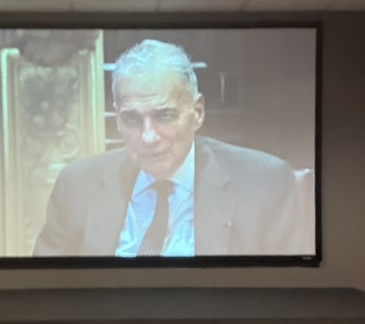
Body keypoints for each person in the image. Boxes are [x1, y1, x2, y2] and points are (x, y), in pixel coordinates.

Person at [33, 39, 306, 257]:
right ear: (117, 118)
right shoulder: (76, 185)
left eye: (164, 116)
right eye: (132, 119)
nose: (148, 137)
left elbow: (282, 295)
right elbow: (47, 290)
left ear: (197, 113)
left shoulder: (264, 185)